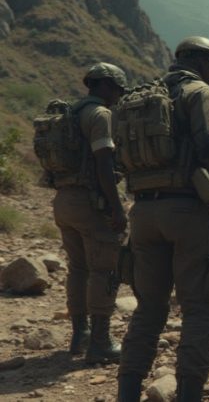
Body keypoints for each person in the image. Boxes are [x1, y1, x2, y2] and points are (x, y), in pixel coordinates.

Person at [117, 36, 209, 402]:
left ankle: (128, 392)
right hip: (186, 211)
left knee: (149, 308)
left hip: (143, 214)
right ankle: (189, 394)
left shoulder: (140, 98)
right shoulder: (200, 93)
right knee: (199, 306)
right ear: (208, 64)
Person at [46, 63, 128, 365]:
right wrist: (117, 208)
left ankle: (79, 334)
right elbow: (104, 163)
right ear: (107, 85)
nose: (118, 97)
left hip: (63, 201)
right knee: (104, 270)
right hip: (89, 203)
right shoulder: (100, 115)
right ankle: (101, 341)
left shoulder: (70, 112)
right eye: (118, 90)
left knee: (77, 269)